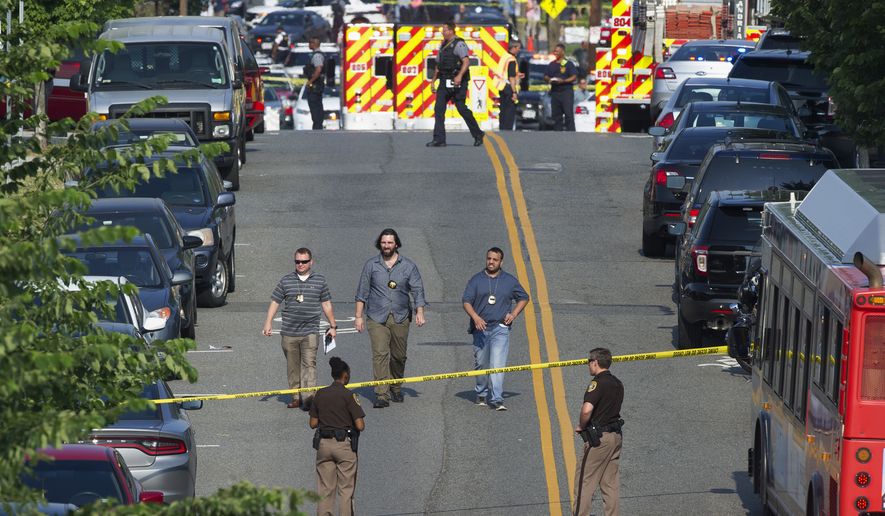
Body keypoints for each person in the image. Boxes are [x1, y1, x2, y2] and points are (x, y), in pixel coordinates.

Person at [355, 229, 426, 408]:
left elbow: (417, 290)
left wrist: (420, 312)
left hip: (400, 317)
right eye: (383, 242)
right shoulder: (371, 265)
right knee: (380, 354)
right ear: (380, 244)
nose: (386, 246)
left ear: (396, 244)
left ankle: (395, 386)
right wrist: (358, 316)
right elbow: (362, 292)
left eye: (389, 243)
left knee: (398, 356)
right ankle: (381, 394)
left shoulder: (408, 266)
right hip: (376, 317)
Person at [263, 248, 337, 410]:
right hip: (289, 332)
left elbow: (326, 304)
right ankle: (296, 396)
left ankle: (309, 397)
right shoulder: (286, 281)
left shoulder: (320, 280)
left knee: (309, 364)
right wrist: (268, 323)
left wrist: (333, 325)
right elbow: (275, 301)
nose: (300, 264)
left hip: (310, 331)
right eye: (297, 261)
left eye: (304, 261)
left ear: (311, 262)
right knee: (293, 366)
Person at [461, 247, 529, 411]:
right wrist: (475, 317)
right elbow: (466, 301)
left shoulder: (509, 280)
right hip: (480, 328)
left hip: (500, 328)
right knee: (481, 364)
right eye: (489, 259)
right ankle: (481, 393)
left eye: (495, 259)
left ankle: (497, 398)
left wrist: (513, 314)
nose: (491, 262)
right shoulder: (476, 280)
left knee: (497, 364)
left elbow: (524, 297)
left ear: (501, 262)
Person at [310, 357, 365, 516]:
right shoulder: (349, 396)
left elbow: (313, 423)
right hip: (344, 446)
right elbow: (360, 425)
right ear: (345, 376)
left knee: (325, 490)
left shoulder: (320, 394)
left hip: (324, 446)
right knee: (346, 490)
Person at [573, 347, 625, 516]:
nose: (588, 365)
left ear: (595, 363)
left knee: (584, 482)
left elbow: (587, 410)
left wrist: (581, 425)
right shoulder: (617, 383)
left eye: (589, 362)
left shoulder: (597, 383)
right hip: (615, 437)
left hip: (599, 440)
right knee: (610, 484)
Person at [426, 21, 485, 148]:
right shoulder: (442, 46)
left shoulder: (459, 44)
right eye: (442, 30)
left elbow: (466, 62)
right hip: (444, 81)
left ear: (452, 30)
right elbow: (438, 66)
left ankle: (478, 134)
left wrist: (459, 76)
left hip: (458, 81)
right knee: (439, 109)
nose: (443, 32)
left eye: (445, 30)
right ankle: (439, 139)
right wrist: (433, 81)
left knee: (461, 108)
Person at [544, 43, 578, 131]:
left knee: (568, 114)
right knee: (556, 115)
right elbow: (546, 76)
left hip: (566, 92)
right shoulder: (552, 64)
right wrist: (550, 79)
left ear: (562, 52)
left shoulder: (568, 64)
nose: (555, 53)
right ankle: (557, 134)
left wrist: (563, 81)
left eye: (557, 51)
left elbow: (574, 76)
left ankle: (571, 133)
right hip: (555, 92)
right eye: (554, 51)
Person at [494, 40, 521, 131]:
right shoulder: (512, 59)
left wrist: (518, 74)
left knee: (503, 110)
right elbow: (511, 77)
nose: (519, 50)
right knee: (509, 111)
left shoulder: (505, 56)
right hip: (509, 87)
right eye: (518, 48)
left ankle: (502, 129)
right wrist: (514, 92)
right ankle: (507, 130)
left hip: (502, 86)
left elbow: (505, 72)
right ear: (514, 48)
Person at [304, 37, 326, 131]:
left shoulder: (317, 56)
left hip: (315, 85)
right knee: (316, 105)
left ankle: (317, 126)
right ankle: (317, 125)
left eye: (310, 43)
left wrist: (311, 81)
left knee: (315, 106)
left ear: (314, 44)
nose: (309, 45)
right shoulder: (316, 54)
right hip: (316, 84)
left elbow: (318, 70)